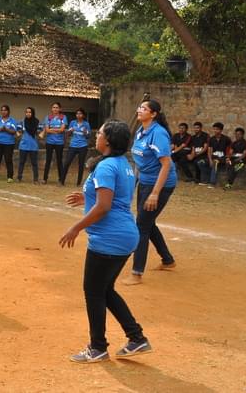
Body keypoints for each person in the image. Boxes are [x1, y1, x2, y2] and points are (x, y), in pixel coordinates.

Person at [59, 120, 152, 363]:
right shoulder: (124, 164)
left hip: (109, 238)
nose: (96, 136)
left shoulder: (106, 167)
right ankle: (137, 338)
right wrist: (86, 197)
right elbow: (112, 198)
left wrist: (75, 228)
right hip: (124, 236)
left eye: (99, 133)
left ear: (108, 140)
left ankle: (97, 347)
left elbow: (104, 206)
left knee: (93, 291)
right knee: (105, 289)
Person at [124, 100, 177, 286]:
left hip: (161, 185)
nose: (139, 110)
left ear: (153, 114)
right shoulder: (141, 131)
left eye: (143, 108)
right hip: (146, 182)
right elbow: (140, 162)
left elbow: (166, 164)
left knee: (142, 226)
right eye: (139, 107)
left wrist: (155, 193)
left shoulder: (158, 134)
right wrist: (134, 184)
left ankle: (136, 273)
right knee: (147, 222)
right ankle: (168, 260)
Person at [63, 109, 92, 187]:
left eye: (80, 113)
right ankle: (62, 181)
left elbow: (88, 136)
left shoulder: (86, 124)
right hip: (73, 145)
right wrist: (70, 131)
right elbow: (68, 134)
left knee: (81, 164)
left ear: (83, 115)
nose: (78, 115)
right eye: (77, 114)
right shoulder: (72, 123)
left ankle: (78, 183)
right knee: (67, 163)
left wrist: (85, 132)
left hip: (83, 146)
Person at [41, 102, 67, 185]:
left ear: (60, 109)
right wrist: (56, 130)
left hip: (59, 143)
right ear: (51, 109)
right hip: (49, 142)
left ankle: (61, 180)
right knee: (48, 160)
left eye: (57, 107)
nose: (55, 109)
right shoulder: (48, 117)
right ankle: (45, 179)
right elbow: (47, 130)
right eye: (53, 107)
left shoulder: (63, 117)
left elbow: (62, 129)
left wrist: (52, 130)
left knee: (59, 161)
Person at [0, 105, 18, 182]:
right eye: (2, 110)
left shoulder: (12, 120)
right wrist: (0, 129)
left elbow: (14, 131)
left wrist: (6, 129)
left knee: (8, 160)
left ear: (8, 111)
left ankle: (10, 177)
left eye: (5, 110)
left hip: (9, 143)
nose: (3, 112)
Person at [17, 107, 40, 183]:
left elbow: (39, 133)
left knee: (34, 163)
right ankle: (19, 178)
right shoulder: (22, 121)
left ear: (32, 113)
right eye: (26, 112)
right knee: (21, 162)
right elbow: (18, 131)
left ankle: (35, 179)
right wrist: (18, 134)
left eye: (30, 112)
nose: (28, 113)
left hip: (33, 145)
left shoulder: (36, 122)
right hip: (24, 145)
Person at [207, 122, 232, 189]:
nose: (215, 131)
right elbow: (209, 151)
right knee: (215, 162)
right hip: (215, 157)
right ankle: (212, 183)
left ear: (221, 130)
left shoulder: (226, 139)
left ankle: (228, 183)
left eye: (217, 129)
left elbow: (229, 150)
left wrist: (228, 158)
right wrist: (210, 160)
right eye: (214, 129)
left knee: (230, 164)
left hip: (224, 157)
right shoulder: (211, 139)